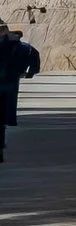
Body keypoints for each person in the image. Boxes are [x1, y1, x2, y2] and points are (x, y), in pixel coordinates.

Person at [0, 20, 38, 163]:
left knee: (1, 119)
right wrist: (30, 72)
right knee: (2, 119)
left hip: (8, 85)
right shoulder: (18, 45)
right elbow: (33, 54)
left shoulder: (17, 45)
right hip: (10, 85)